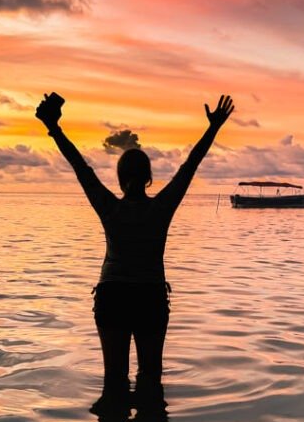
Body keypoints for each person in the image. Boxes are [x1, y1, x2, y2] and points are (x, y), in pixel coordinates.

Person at [36, 93, 234, 400]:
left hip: (113, 296)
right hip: (148, 297)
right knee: (150, 379)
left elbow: (81, 168)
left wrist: (55, 128)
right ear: (149, 178)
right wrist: (213, 128)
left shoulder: (110, 208)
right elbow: (190, 166)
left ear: (120, 178)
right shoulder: (161, 208)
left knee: (113, 381)